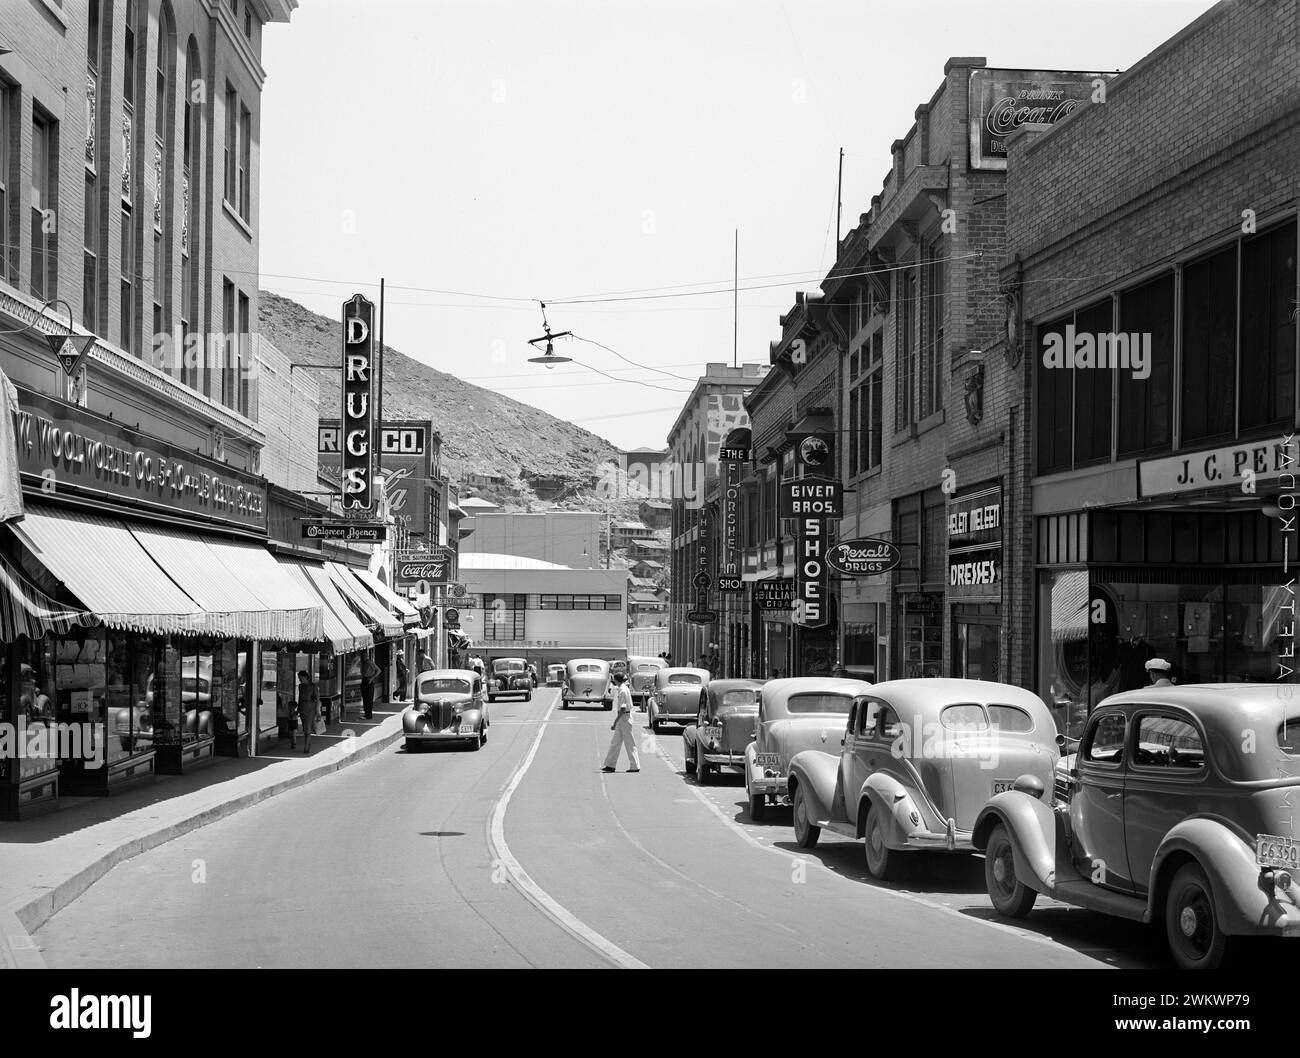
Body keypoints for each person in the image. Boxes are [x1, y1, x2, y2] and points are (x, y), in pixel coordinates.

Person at [602, 673, 640, 773]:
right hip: (623, 719)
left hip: (624, 718)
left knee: (629, 743)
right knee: (615, 742)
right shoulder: (622, 689)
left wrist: (615, 722)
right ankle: (610, 764)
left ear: (616, 680)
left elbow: (622, 709)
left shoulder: (623, 691)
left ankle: (635, 765)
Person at [294, 669, 320, 753]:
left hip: (310, 708)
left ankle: (306, 746)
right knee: (305, 728)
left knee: (308, 727)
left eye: (300, 677)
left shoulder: (313, 686)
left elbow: (317, 699)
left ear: (305, 677)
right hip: (302, 708)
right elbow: (300, 698)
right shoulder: (300, 686)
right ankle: (307, 743)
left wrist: (318, 711)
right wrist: (298, 709)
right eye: (299, 678)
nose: (299, 679)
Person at [360, 651, 381, 719]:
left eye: (365, 656)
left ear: (367, 656)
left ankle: (368, 715)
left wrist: (372, 678)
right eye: (363, 656)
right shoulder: (363, 663)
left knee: (368, 698)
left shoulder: (369, 662)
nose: (364, 657)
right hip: (364, 680)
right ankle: (366, 714)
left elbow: (378, 670)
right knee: (365, 698)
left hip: (368, 680)